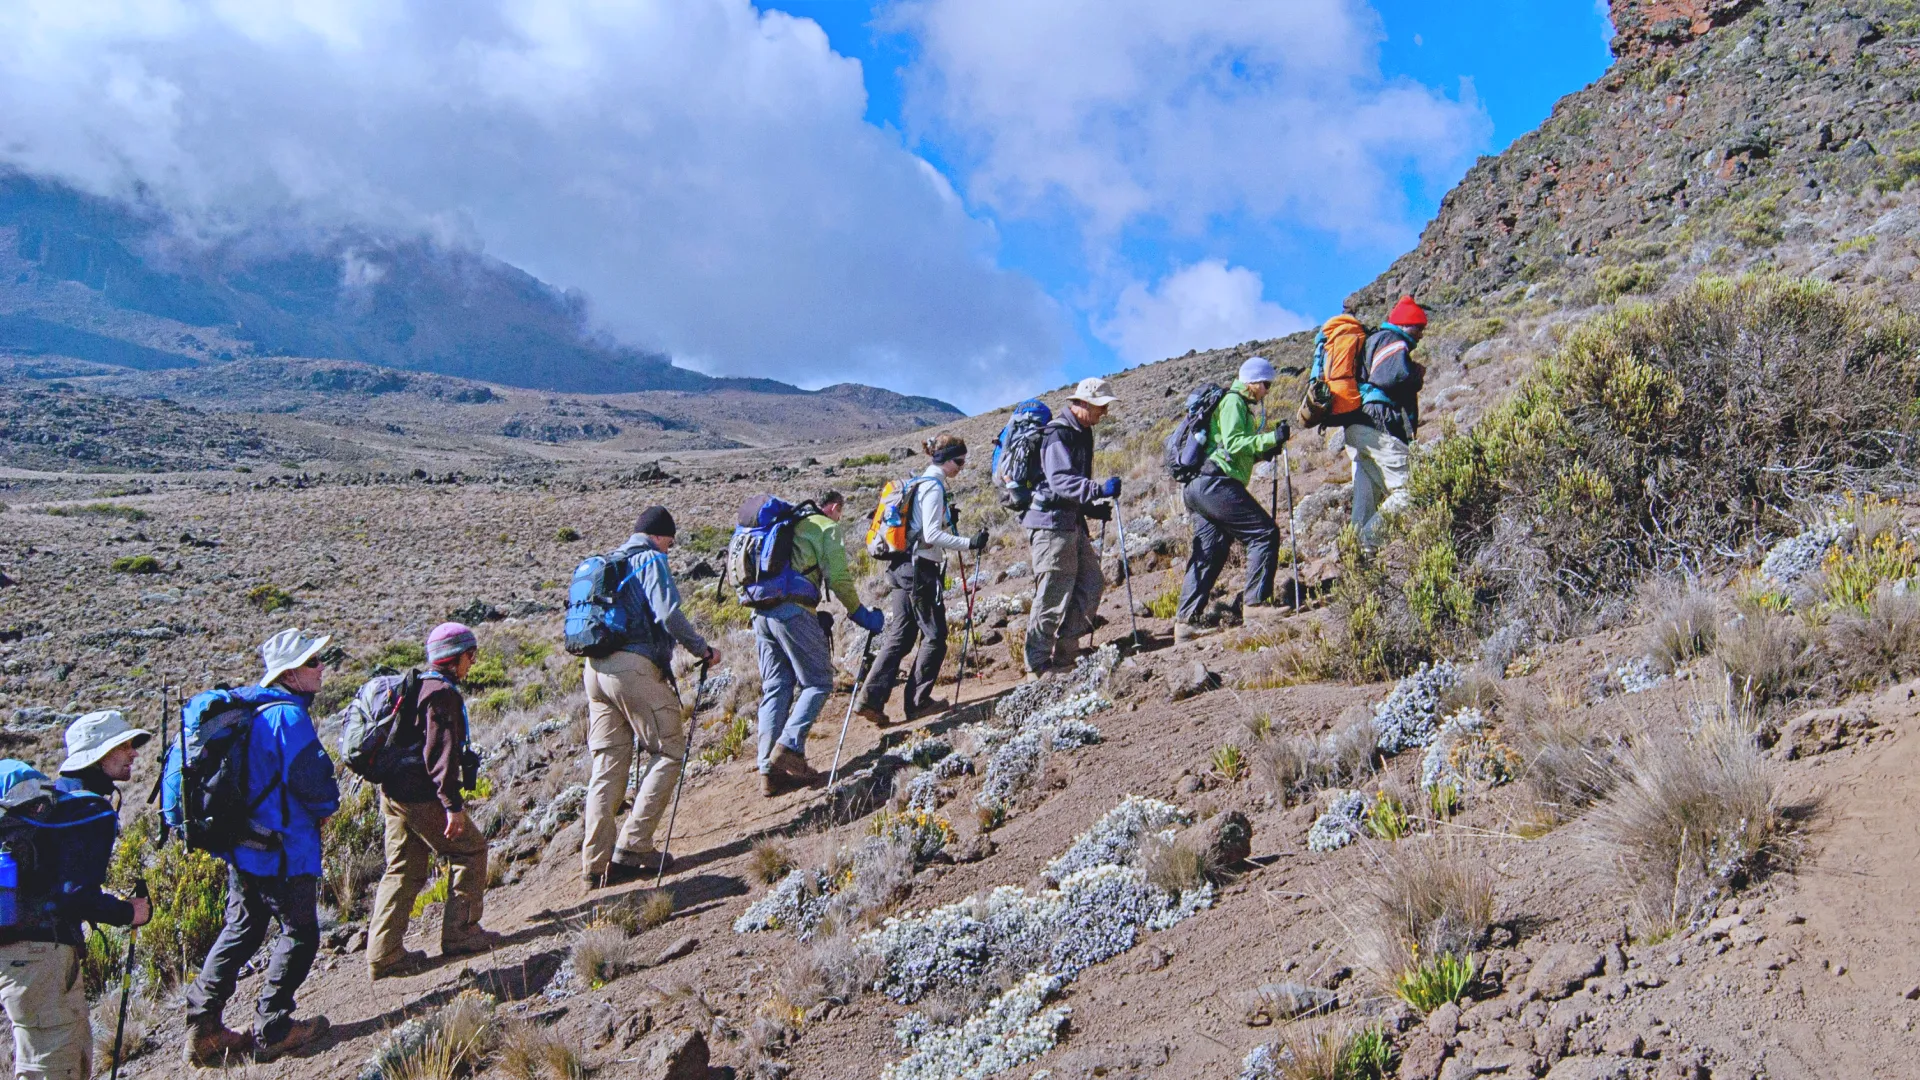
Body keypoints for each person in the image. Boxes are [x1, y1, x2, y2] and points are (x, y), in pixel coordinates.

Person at [185, 628, 341, 1066]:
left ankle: (204, 1027)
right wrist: (327, 807)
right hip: (283, 848)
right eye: (312, 662)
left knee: (244, 927)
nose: (320, 668)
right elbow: (314, 782)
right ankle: (274, 1028)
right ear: (290, 674)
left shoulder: (251, 711)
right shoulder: (287, 717)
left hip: (242, 844)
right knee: (302, 932)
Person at [0, 712, 152, 1079]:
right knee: (54, 1067)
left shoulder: (54, 803)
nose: (133, 754)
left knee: (47, 1060)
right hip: (42, 957)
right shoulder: (90, 810)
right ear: (98, 756)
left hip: (22, 956)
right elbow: (75, 896)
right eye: (123, 746)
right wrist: (128, 913)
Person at [581, 506, 721, 887]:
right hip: (633, 667)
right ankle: (635, 845)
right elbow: (668, 613)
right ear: (660, 536)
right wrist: (701, 649)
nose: (670, 550)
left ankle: (595, 865)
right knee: (670, 750)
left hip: (594, 670)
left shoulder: (608, 562)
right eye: (670, 542)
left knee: (607, 766)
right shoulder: (649, 559)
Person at [366, 622, 505, 980]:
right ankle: (462, 933)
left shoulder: (415, 686)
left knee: (404, 868)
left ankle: (385, 955)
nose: (472, 663)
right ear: (454, 658)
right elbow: (439, 755)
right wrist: (452, 805)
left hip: (393, 791)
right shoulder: (441, 694)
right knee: (470, 850)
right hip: (420, 795)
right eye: (469, 656)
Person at [755, 491, 885, 796]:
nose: (840, 518)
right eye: (840, 512)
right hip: (793, 611)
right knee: (818, 683)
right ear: (835, 507)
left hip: (761, 614)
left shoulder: (790, 525)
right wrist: (860, 614)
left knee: (777, 688)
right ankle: (788, 747)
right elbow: (838, 578)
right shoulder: (825, 527)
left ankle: (769, 772)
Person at [855, 435, 985, 726]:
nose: (961, 468)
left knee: (900, 636)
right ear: (947, 460)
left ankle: (870, 700)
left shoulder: (917, 483)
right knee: (936, 636)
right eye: (960, 461)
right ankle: (918, 703)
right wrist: (969, 542)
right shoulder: (933, 487)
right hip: (920, 570)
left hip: (901, 567)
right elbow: (931, 536)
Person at [1174, 357, 1289, 641]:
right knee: (1264, 534)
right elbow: (1236, 442)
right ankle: (1256, 605)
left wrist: (1263, 452)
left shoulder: (1233, 404)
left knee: (1211, 551)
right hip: (1216, 484)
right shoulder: (1234, 402)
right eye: (1265, 384)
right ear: (1252, 381)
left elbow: (1231, 448)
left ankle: (1185, 623)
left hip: (1199, 486)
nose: (1267, 390)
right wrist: (1271, 438)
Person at [1022, 377, 1122, 677]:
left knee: (1091, 584)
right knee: (1053, 593)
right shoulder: (1058, 434)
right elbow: (1060, 480)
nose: (1103, 413)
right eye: (1100, 407)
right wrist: (1097, 490)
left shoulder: (1082, 432)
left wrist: (1091, 507)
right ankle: (1037, 665)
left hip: (1071, 522)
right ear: (1082, 403)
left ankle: (1066, 654)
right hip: (1050, 525)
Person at [1347, 295, 1427, 547]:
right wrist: (1415, 374)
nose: (1421, 334)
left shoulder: (1372, 341)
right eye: (1419, 327)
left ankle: (1355, 555)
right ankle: (1368, 544)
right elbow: (1392, 378)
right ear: (1406, 324)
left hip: (1356, 426)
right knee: (1411, 490)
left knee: (1366, 499)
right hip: (1378, 424)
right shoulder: (1393, 341)